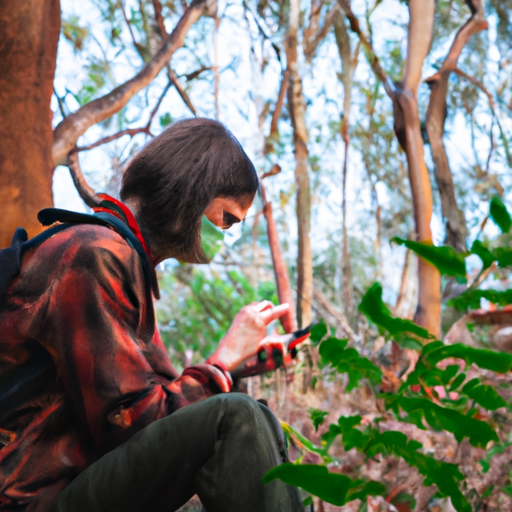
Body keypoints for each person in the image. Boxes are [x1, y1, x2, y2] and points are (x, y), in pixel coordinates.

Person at [0, 118, 304, 512]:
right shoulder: (92, 255)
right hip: (28, 498)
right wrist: (221, 361)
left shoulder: (128, 265)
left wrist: (240, 366)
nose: (227, 235)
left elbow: (156, 405)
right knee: (237, 418)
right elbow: (132, 424)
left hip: (65, 487)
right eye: (227, 218)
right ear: (192, 193)